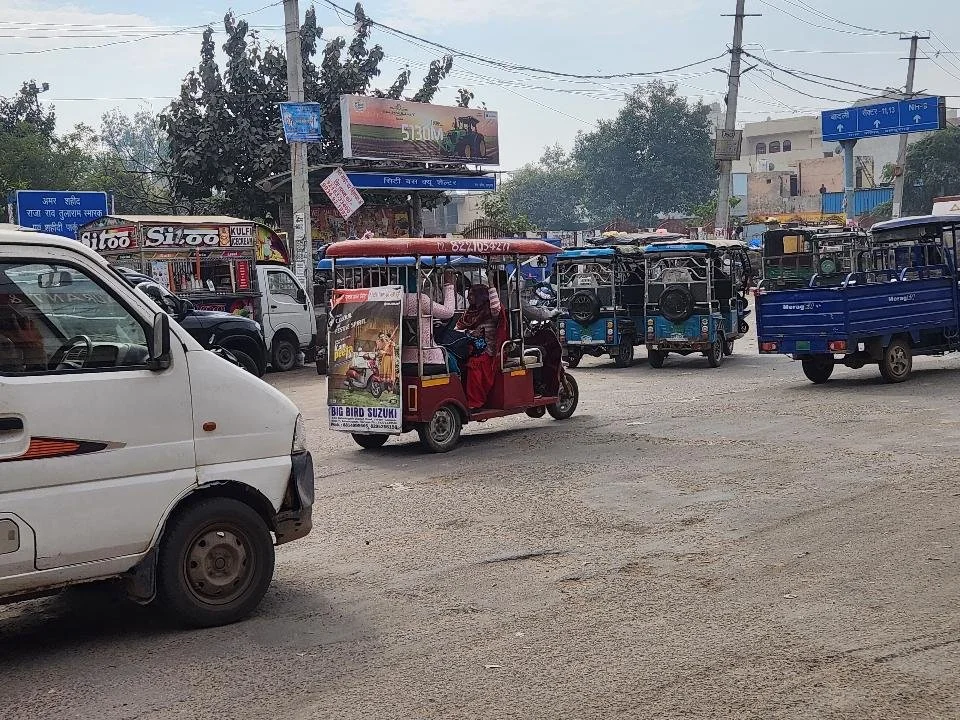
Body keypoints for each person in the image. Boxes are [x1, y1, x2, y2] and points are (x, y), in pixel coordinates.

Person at [457, 282, 503, 410]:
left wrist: (492, 285)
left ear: (480, 296)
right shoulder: (470, 312)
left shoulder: (490, 313)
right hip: (469, 349)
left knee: (474, 366)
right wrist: (469, 332)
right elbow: (457, 328)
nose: (468, 297)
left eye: (471, 294)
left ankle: (475, 402)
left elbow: (496, 308)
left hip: (487, 353)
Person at [402, 270, 457, 375]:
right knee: (453, 362)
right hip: (427, 358)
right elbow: (448, 312)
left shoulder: (394, 299)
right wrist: (449, 285)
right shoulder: (420, 299)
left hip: (402, 359)